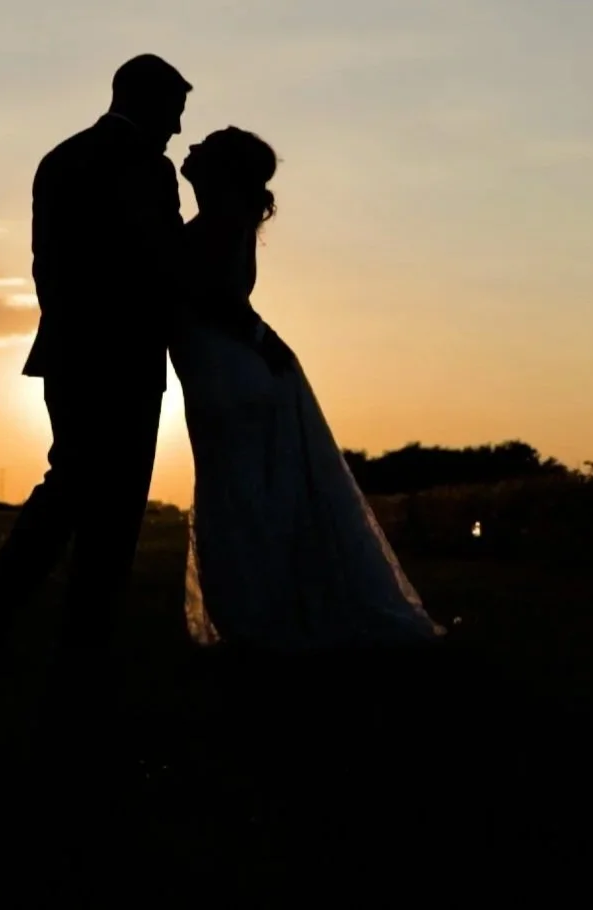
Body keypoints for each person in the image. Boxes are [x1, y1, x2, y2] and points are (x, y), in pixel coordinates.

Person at [0, 55, 288, 695]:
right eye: (177, 110)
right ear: (149, 100)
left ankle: (10, 628)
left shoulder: (61, 157)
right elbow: (161, 262)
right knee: (107, 505)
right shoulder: (144, 168)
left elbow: (47, 263)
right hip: (123, 356)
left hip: (68, 351)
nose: (180, 128)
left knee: (71, 485)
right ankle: (71, 644)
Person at [170, 127, 445, 651]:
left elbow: (219, 300)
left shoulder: (218, 224)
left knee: (240, 500)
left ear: (222, 169)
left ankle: (257, 622)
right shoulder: (219, 223)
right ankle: (259, 617)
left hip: (229, 375)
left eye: (206, 145)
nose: (191, 146)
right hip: (226, 369)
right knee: (245, 496)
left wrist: (256, 336)